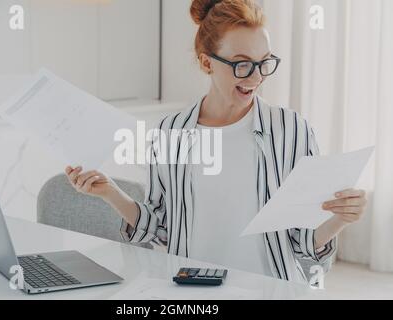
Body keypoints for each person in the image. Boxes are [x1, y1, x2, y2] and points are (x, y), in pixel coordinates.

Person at [65, 0, 367, 283]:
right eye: (242, 64)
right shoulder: (172, 133)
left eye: (264, 63)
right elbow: (159, 228)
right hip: (192, 290)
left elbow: (303, 242)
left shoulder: (292, 130)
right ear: (207, 63)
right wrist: (110, 193)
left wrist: (339, 219)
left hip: (271, 290)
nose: (256, 77)